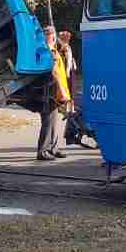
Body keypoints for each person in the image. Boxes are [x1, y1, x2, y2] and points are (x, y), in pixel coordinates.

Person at [36, 26, 71, 161]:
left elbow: (65, 53)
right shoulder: (47, 51)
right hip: (50, 91)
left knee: (54, 121)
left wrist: (64, 42)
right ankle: (43, 151)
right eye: (51, 34)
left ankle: (52, 148)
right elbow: (54, 71)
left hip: (54, 91)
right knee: (48, 121)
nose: (53, 37)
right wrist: (62, 90)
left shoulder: (53, 49)